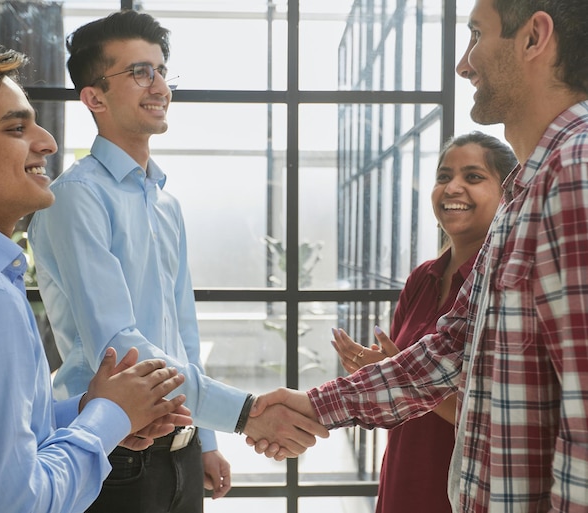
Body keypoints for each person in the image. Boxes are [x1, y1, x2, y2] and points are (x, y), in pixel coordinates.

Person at [250, 0, 588, 511]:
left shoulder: (575, 173)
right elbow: (449, 351)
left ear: (534, 38)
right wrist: (317, 406)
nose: (463, 63)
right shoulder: (528, 189)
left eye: (477, 34)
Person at [28, 10, 328, 513]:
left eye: (162, 70)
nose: (160, 85)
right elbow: (120, 347)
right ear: (94, 97)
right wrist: (246, 412)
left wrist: (206, 440)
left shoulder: (164, 201)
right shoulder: (77, 198)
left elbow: (182, 327)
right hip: (118, 453)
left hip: (181, 450)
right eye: (140, 72)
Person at [0, 37, 193, 513]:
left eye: (161, 70)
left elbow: (5, 432)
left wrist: (104, 410)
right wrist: (109, 416)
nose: (47, 142)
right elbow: (11, 503)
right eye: (15, 128)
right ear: (96, 96)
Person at [330, 132, 517, 513]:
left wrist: (394, 375)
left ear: (506, 194)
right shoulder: (422, 278)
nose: (453, 187)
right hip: (403, 471)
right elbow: (399, 373)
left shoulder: (505, 282)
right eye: (444, 176)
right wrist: (381, 371)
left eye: (474, 177)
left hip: (459, 486)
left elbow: (489, 413)